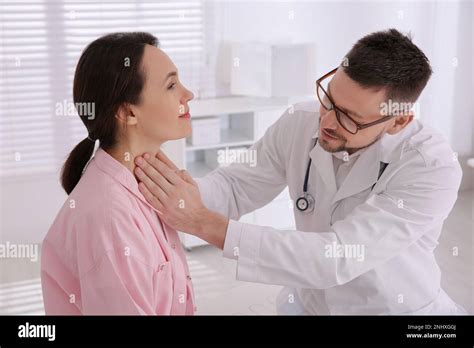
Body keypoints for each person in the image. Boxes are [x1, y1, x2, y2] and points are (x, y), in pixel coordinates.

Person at [133, 29, 467, 315]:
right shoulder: (299, 121)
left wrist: (203, 224)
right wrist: (174, 192)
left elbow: (336, 257)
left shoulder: (430, 167)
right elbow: (236, 187)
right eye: (329, 99)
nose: (327, 122)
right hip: (308, 305)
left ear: (398, 120)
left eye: (349, 117)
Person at [41, 32, 196, 315]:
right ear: (128, 113)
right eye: (172, 85)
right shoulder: (110, 215)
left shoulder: (145, 182)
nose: (189, 94)